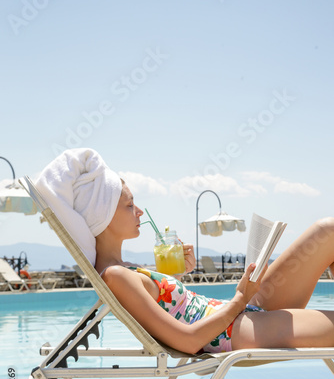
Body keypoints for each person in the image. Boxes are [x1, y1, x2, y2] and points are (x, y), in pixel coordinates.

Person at [36, 148, 334, 355]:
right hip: (232, 330)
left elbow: (173, 309)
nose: (139, 211)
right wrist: (241, 297)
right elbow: (188, 341)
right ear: (102, 218)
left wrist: (176, 276)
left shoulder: (124, 269)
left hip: (236, 318)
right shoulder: (116, 276)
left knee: (326, 230)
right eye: (129, 206)